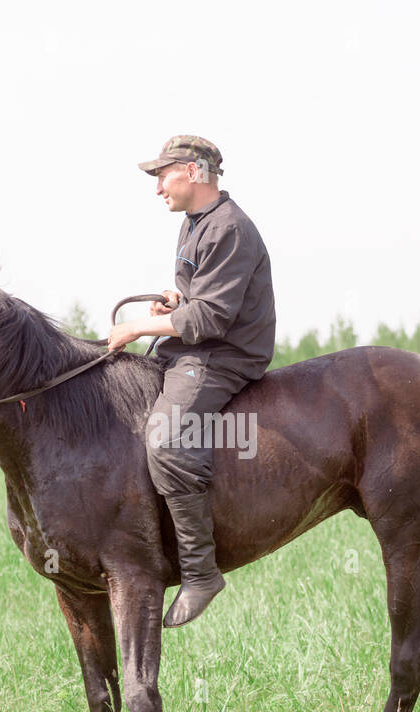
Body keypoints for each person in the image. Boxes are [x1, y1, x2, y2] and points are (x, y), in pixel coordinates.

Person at [108, 135, 277, 627]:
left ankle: (201, 572)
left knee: (164, 439)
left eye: (164, 174)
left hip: (223, 357)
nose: (158, 186)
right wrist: (173, 302)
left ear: (195, 171)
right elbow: (196, 301)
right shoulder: (194, 224)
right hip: (196, 347)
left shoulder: (231, 229)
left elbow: (214, 318)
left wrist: (140, 325)